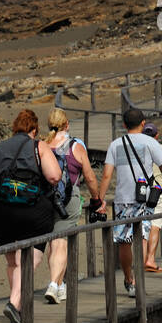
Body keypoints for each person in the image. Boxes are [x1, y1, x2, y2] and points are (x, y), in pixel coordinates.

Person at [0, 109, 63, 323]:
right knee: (29, 259)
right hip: (33, 209)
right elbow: (54, 176)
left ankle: (17, 305)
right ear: (34, 129)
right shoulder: (39, 146)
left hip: (2, 210)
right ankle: (14, 301)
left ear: (15, 127)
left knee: (12, 261)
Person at [98, 108, 162, 298]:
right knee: (142, 237)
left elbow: (106, 175)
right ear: (143, 123)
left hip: (122, 199)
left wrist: (100, 199)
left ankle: (130, 279)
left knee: (124, 241)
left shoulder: (115, 145)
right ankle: (138, 279)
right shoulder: (149, 143)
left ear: (124, 125)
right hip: (145, 198)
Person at [43, 107, 104, 303]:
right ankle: (53, 284)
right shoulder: (75, 146)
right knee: (60, 241)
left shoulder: (42, 145)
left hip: (45, 199)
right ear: (67, 124)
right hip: (68, 198)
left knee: (54, 242)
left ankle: (60, 285)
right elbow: (90, 176)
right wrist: (97, 200)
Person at [141, 122, 162, 273]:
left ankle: (141, 258)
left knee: (143, 225)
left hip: (140, 191)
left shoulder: (136, 150)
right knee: (155, 226)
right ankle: (150, 259)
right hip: (158, 190)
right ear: (157, 136)